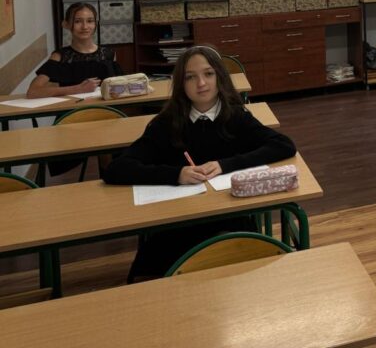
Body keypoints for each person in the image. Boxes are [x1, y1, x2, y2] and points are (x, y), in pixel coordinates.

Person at [103, 45, 296, 280]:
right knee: (150, 278)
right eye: (190, 77)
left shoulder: (236, 116)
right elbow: (116, 169)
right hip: (177, 223)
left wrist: (225, 165)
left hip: (229, 219)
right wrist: (176, 174)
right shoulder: (166, 124)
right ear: (181, 84)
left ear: (219, 77)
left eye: (208, 74)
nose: (201, 83)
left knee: (251, 272)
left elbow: (283, 145)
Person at [28, 2, 122, 98]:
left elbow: (120, 87)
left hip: (106, 106)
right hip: (74, 107)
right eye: (77, 21)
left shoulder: (108, 53)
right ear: (66, 24)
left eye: (90, 21)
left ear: (95, 24)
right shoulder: (60, 56)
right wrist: (78, 89)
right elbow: (33, 92)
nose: (85, 27)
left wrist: (117, 90)